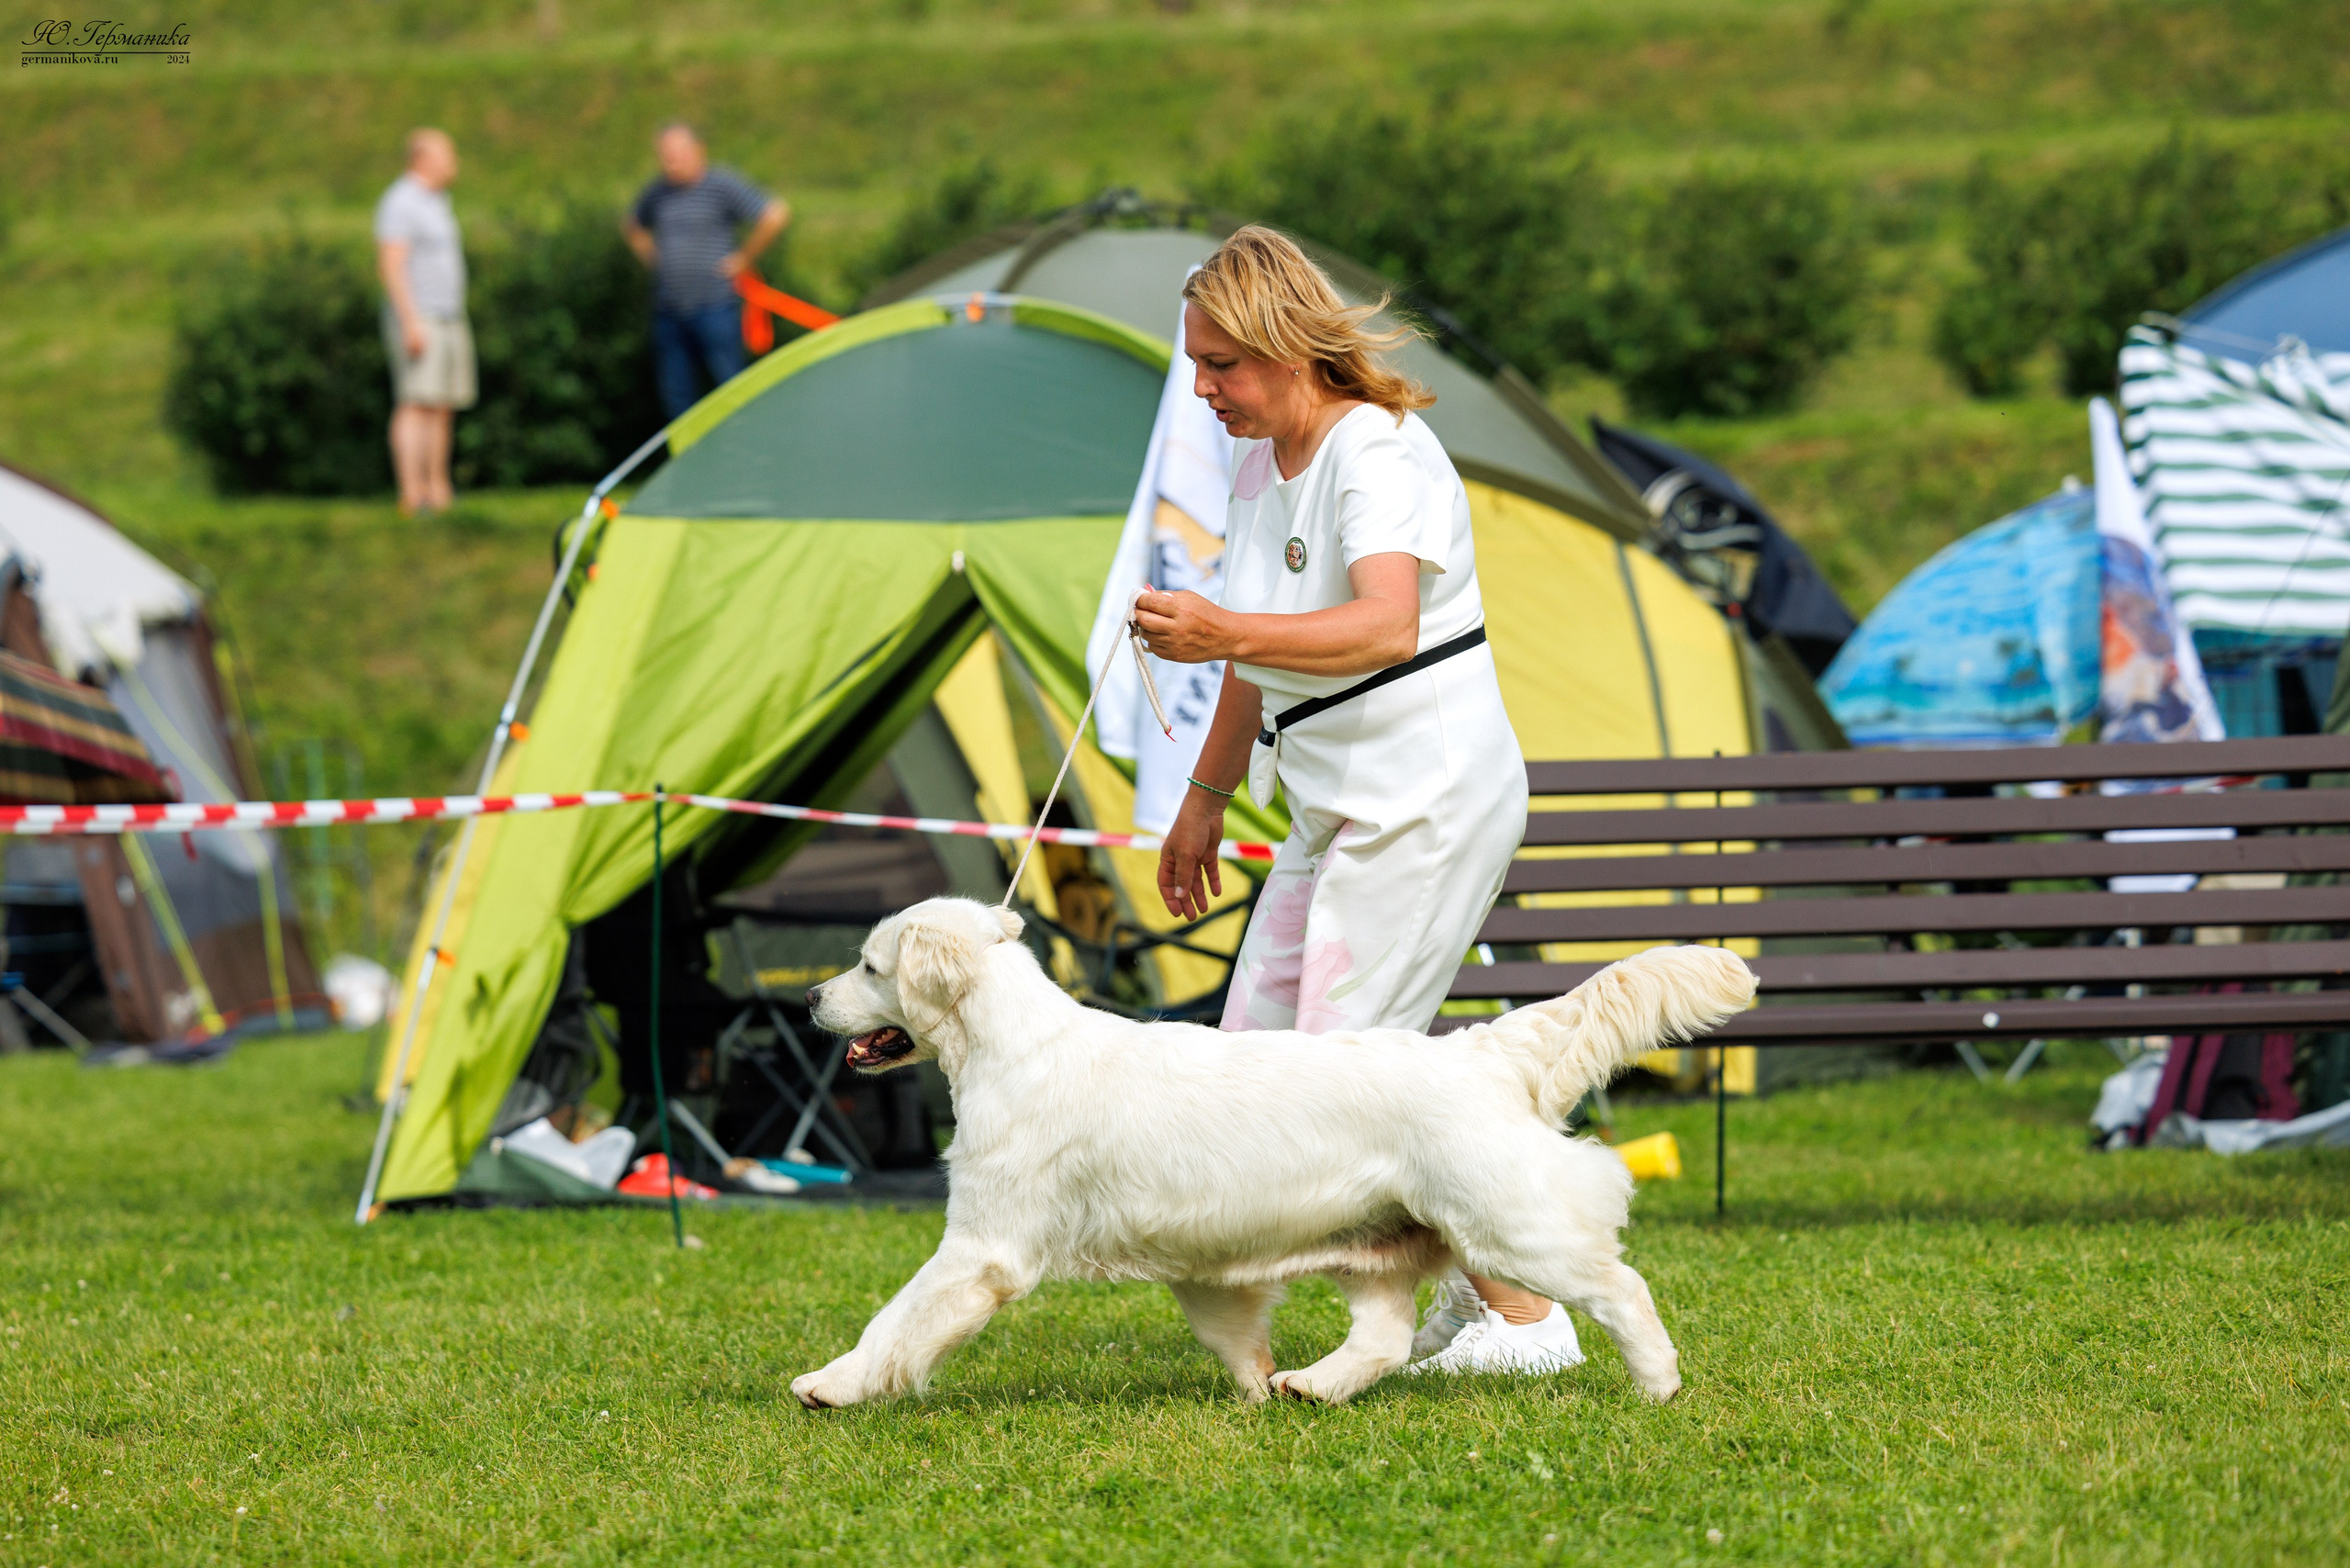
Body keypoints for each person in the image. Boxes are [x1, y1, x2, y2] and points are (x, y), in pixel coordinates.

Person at [1136, 226, 1578, 1377]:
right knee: (1255, 1061)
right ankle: (1477, 1307)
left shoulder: (1379, 452)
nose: (1204, 388)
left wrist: (1218, 627)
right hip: (1332, 806)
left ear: (1287, 344)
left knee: (1339, 1088)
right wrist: (1202, 802)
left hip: (1424, 799)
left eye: (1220, 363)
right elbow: (1254, 660)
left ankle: (1532, 1322)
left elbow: (1382, 624)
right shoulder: (1255, 466)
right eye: (1195, 363)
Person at [624, 122, 791, 420]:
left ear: (698, 151)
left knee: (732, 391)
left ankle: (743, 454)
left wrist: (743, 258)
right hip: (669, 312)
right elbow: (633, 225)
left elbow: (775, 214)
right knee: (677, 400)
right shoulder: (657, 193)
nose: (670, 163)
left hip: (715, 308)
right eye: (665, 156)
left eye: (676, 155)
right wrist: (655, 259)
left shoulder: (721, 185)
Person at [375, 128, 473, 516]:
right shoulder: (401, 202)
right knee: (415, 402)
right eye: (447, 154)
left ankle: (438, 488)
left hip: (448, 315)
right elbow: (391, 265)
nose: (454, 162)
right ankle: (411, 494)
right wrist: (409, 321)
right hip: (421, 316)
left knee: (442, 404)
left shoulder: (436, 201)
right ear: (423, 158)